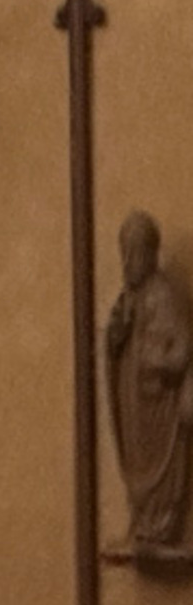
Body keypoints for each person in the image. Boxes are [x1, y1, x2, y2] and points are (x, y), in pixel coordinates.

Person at [106, 211, 193, 564]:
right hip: (135, 403)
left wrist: (158, 362)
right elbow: (113, 343)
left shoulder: (163, 295)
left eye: (136, 252)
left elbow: (183, 348)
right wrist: (117, 334)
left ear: (151, 253)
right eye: (124, 253)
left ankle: (162, 530)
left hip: (160, 406)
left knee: (162, 468)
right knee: (138, 464)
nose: (129, 262)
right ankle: (143, 526)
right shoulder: (129, 298)